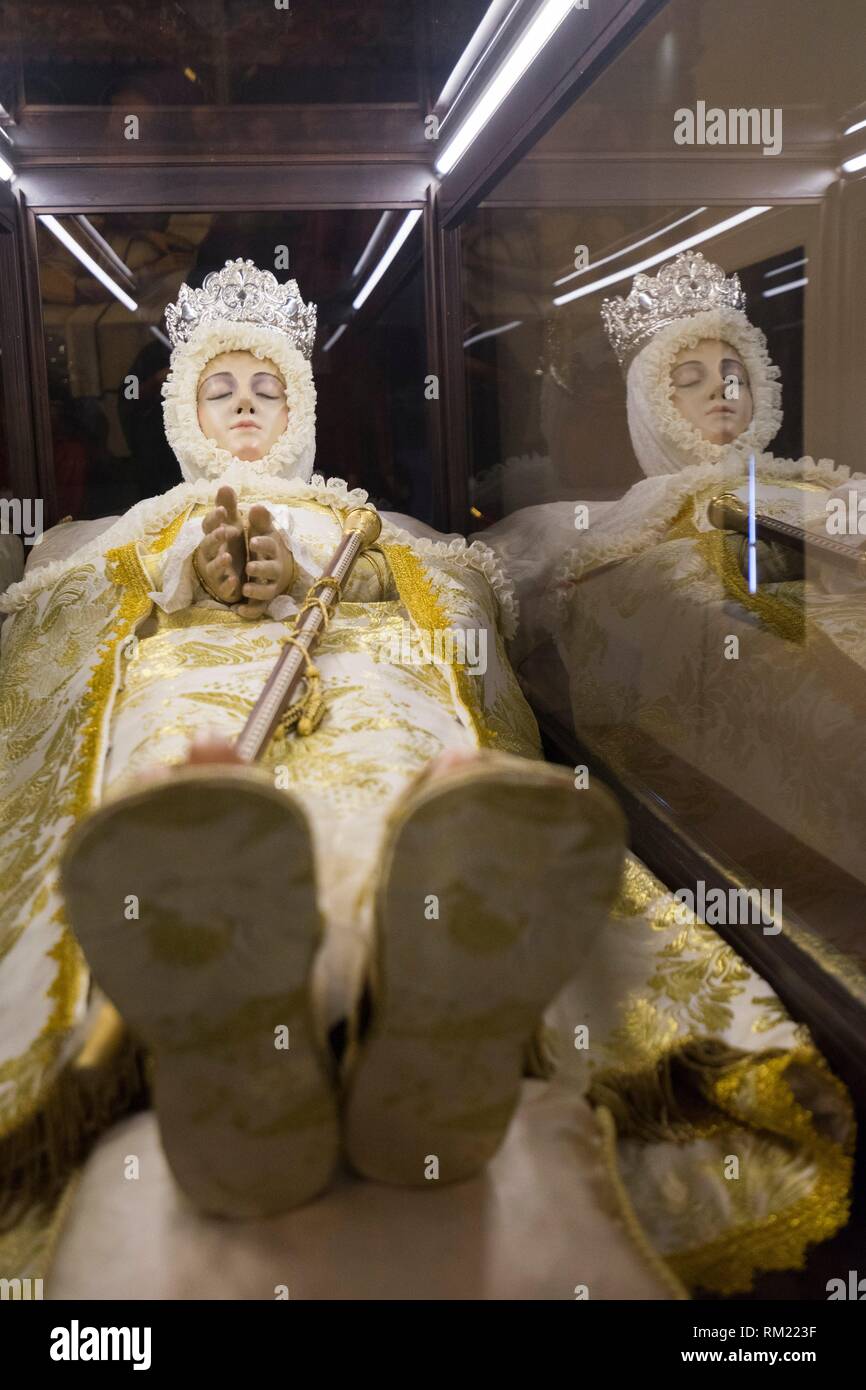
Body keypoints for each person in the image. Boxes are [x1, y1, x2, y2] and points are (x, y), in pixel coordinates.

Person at [0, 259, 627, 1222]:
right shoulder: (130, 531)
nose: (246, 407)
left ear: (301, 410)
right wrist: (196, 572)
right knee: (174, 755)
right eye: (221, 389)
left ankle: (408, 997)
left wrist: (327, 576)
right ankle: (243, 1021)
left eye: (268, 387)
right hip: (189, 676)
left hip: (357, 666)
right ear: (183, 415)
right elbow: (61, 629)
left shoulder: (365, 517)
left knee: (392, 746)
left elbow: (456, 592)